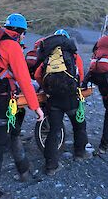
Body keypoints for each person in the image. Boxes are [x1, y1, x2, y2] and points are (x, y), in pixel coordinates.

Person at [0, 14, 44, 198]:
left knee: (13, 130)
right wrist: (37, 107)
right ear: (20, 32)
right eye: (24, 33)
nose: (24, 37)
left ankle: (24, 168)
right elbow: (24, 79)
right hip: (4, 98)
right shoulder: (11, 45)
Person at [35, 29, 91, 176]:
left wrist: (47, 87)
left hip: (53, 100)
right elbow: (81, 75)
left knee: (54, 131)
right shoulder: (73, 56)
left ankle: (51, 166)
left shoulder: (48, 57)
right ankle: (80, 153)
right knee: (79, 125)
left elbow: (36, 75)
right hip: (71, 98)